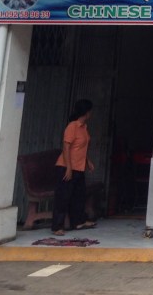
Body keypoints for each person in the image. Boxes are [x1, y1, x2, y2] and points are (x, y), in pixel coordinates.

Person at [51, 98, 96, 235]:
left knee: (79, 195)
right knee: (63, 197)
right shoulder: (72, 127)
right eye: (90, 111)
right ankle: (57, 227)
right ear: (86, 112)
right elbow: (66, 147)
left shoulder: (84, 128)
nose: (91, 114)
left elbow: (82, 147)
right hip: (67, 167)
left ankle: (78, 221)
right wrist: (68, 168)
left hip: (79, 167)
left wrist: (88, 161)